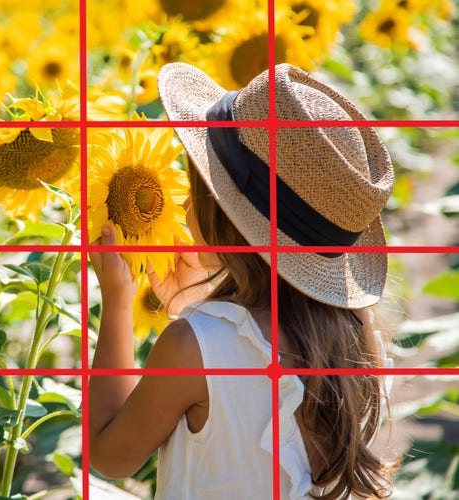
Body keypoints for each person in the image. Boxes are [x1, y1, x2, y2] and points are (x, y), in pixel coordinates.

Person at [89, 62, 396, 499]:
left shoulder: (190, 347)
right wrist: (197, 306)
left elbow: (110, 455)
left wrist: (117, 302)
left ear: (221, 212)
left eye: (195, 184)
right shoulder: (361, 339)